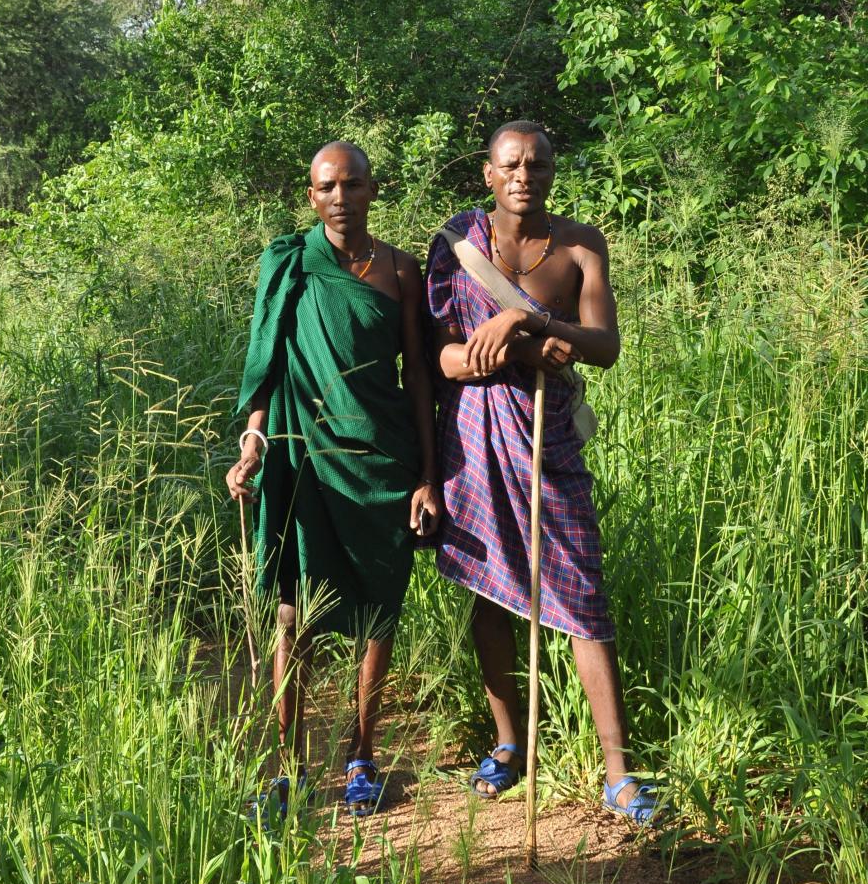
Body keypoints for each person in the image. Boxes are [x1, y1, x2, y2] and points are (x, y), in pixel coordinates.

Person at [424, 120, 657, 823]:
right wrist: (504, 350)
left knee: (583, 593)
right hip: (474, 437)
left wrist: (527, 326)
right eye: (512, 165)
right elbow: (444, 359)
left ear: (553, 173)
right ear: (489, 176)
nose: (526, 175)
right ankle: (508, 743)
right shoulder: (456, 247)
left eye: (539, 164)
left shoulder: (581, 247)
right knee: (492, 593)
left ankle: (619, 773)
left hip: (547, 438)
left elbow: (605, 346)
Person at [227, 141, 441, 818]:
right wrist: (255, 442)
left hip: (381, 460)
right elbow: (267, 363)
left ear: (374, 190)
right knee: (295, 613)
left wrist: (428, 475)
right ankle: (288, 769)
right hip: (302, 458)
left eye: (352, 184)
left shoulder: (403, 272)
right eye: (327, 186)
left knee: (379, 609)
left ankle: (361, 755)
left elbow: (419, 382)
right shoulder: (288, 264)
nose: (340, 196)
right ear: (311, 195)